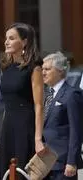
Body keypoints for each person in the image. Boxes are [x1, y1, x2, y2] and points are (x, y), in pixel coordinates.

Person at [0, 23, 45, 180]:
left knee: (22, 172)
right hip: (8, 126)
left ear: (24, 42)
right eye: (6, 38)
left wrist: (38, 139)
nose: (6, 42)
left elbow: (39, 105)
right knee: (6, 171)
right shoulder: (7, 67)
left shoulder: (34, 67)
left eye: (12, 38)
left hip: (25, 127)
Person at [42, 52, 83, 180]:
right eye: (43, 69)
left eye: (47, 69)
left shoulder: (72, 95)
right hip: (44, 163)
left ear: (60, 71)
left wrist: (71, 161)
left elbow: (76, 131)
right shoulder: (45, 95)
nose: (43, 72)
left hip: (63, 164)